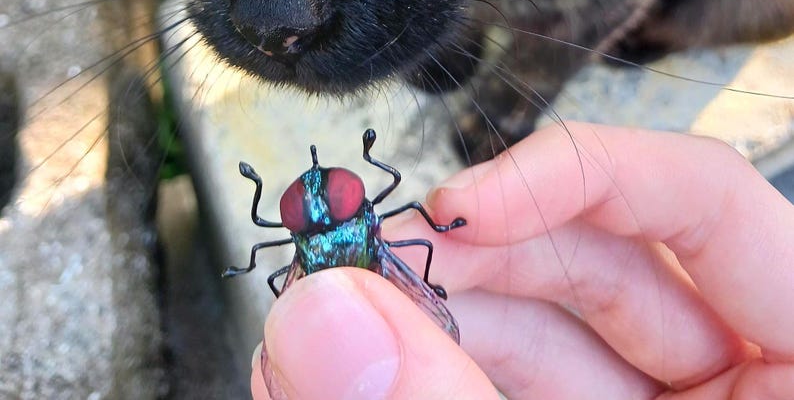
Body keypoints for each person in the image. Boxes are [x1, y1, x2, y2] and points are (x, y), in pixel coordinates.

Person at [250, 123, 794, 399]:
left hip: (349, 300)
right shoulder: (372, 215)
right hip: (388, 279)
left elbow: (271, 264)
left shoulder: (296, 251)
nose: (322, 195)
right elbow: (403, 198)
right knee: (421, 237)